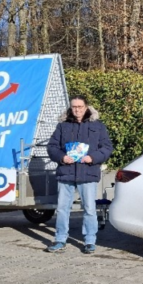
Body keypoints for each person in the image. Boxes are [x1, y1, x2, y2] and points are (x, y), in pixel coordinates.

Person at [45, 95, 113, 254]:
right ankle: (60, 239)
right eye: (74, 107)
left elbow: (107, 148)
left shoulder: (98, 126)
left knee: (89, 208)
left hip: (88, 172)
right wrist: (62, 157)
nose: (77, 110)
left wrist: (93, 157)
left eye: (80, 107)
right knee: (62, 209)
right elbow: (52, 147)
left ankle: (90, 241)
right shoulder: (62, 126)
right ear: (70, 107)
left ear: (86, 107)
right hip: (66, 173)